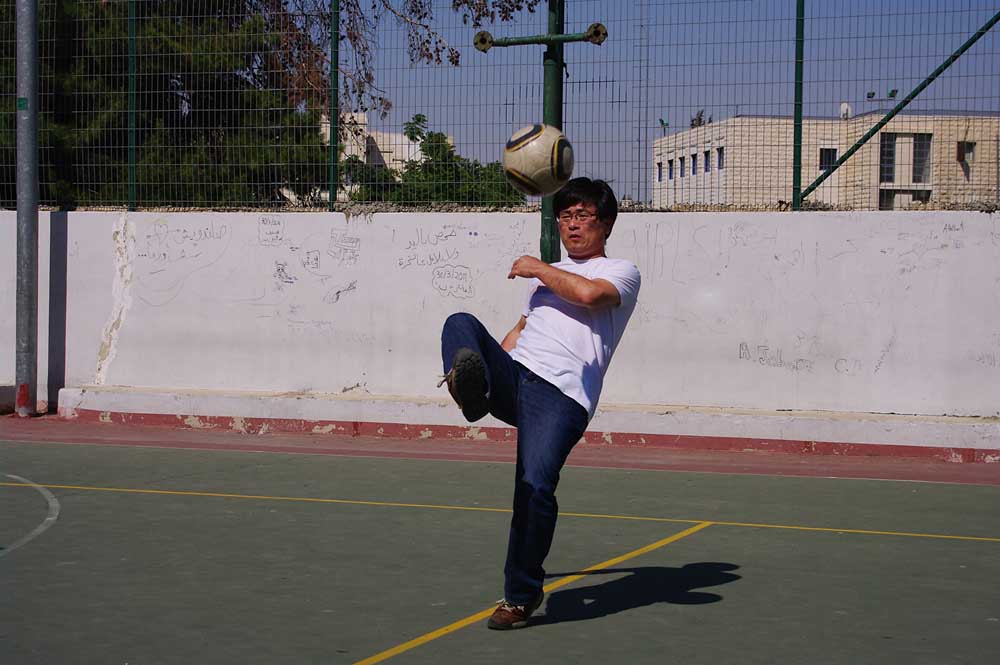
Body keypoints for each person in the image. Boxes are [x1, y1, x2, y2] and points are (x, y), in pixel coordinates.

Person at [438, 177, 641, 630]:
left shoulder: (620, 271)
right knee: (459, 322)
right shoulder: (543, 282)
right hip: (517, 377)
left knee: (533, 489)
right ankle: (472, 393)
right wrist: (489, 373)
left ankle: (520, 596)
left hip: (562, 396)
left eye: (582, 215)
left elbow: (589, 296)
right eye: (565, 216)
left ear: (606, 224)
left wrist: (537, 267)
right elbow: (519, 332)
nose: (572, 224)